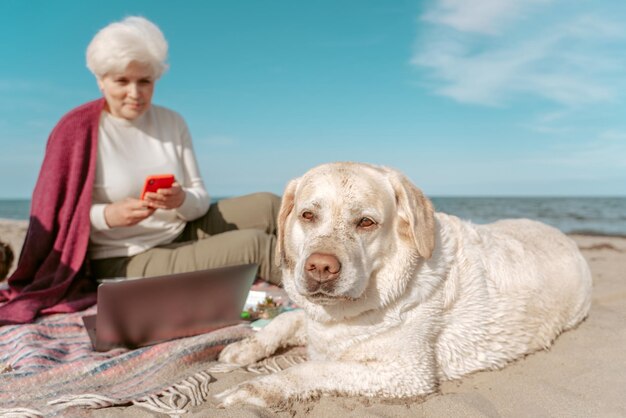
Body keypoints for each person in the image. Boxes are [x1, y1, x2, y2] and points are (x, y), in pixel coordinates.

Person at [0, 16, 280, 325]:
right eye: (122, 81)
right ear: (100, 80)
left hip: (179, 226)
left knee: (270, 205)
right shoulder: (76, 130)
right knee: (255, 244)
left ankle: (335, 261)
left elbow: (199, 196)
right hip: (124, 256)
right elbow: (54, 219)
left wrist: (180, 200)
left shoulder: (173, 122)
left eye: (144, 81)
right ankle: (332, 299)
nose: (135, 93)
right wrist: (108, 216)